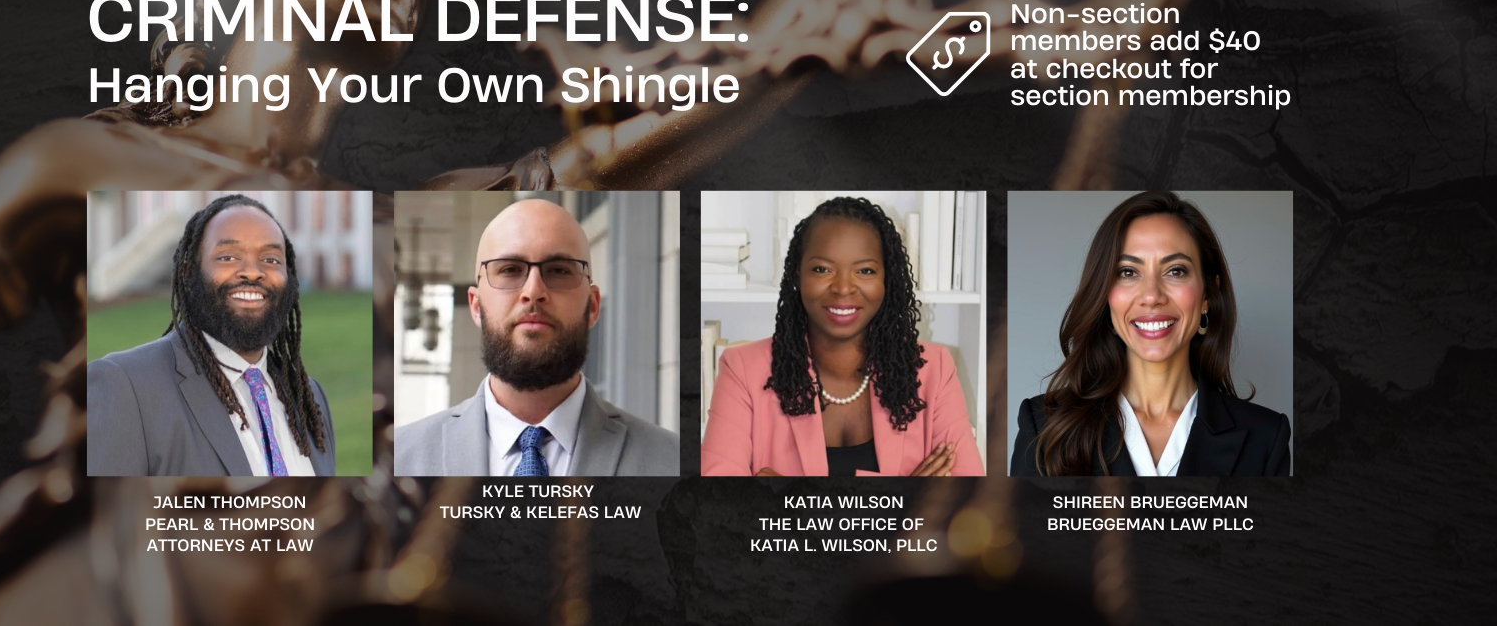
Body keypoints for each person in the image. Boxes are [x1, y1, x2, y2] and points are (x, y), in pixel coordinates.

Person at [1011, 191, 1291, 477]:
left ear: (1207, 293)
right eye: (1128, 272)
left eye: (1176, 271)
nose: (1151, 296)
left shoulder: (1265, 438)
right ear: (1105, 294)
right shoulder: (1044, 426)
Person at [702, 196, 984, 476]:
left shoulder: (934, 370)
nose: (843, 288)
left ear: (887, 280)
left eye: (865, 270)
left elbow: (968, 507)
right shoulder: (742, 370)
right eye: (822, 269)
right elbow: (719, 508)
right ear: (797, 276)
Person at [395, 199, 677, 476]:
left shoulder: (671, 461)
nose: (533, 290)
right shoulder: (399, 458)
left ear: (592, 306)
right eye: (509, 269)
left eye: (558, 270)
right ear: (477, 306)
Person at [88, 194, 336, 476]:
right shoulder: (126, 387)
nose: (253, 272)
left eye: (270, 259)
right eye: (227, 257)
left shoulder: (309, 398)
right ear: (188, 273)